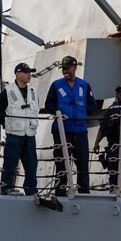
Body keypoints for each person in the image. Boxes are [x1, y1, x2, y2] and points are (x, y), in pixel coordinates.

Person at [43, 55, 97, 195]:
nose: (65, 71)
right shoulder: (56, 85)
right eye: (63, 69)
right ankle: (60, 192)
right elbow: (49, 104)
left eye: (67, 68)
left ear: (74, 67)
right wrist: (60, 113)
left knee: (82, 162)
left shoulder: (84, 85)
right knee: (61, 162)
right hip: (62, 130)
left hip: (80, 129)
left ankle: (84, 192)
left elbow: (92, 105)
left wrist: (81, 111)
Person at [0, 62, 39, 195]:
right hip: (14, 134)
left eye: (30, 73)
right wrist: (7, 124)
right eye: (26, 72)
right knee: (10, 163)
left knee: (32, 164)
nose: (29, 75)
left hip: (30, 134)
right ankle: (5, 188)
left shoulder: (33, 91)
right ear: (18, 74)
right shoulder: (7, 92)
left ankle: (31, 190)